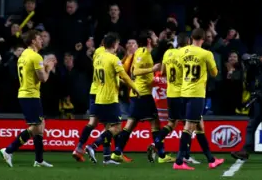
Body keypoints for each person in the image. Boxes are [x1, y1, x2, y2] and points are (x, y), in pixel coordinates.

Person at [0, 30, 56, 167]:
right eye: (39, 38)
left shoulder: (23, 55)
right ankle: (9, 150)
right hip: (30, 95)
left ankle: (39, 160)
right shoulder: (35, 57)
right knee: (36, 127)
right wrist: (49, 68)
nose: (41, 40)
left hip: (27, 94)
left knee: (41, 125)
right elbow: (43, 78)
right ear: (33, 41)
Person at [172, 28, 225, 171]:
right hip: (196, 94)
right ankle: (178, 161)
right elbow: (214, 73)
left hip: (184, 92)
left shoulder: (182, 51)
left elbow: (178, 69)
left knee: (199, 126)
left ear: (191, 38)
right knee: (189, 127)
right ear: (203, 39)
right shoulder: (206, 54)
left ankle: (211, 159)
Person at [84, 32, 138, 164]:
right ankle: (93, 146)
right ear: (114, 44)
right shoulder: (114, 59)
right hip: (110, 98)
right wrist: (135, 88)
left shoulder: (98, 58)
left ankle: (107, 158)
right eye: (118, 43)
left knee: (108, 127)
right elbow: (124, 75)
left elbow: (111, 76)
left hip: (99, 97)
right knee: (117, 127)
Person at [112, 30, 162, 163]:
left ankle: (117, 152)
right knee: (155, 123)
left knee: (130, 125)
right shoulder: (144, 53)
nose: (156, 38)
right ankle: (162, 154)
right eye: (155, 36)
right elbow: (136, 71)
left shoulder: (141, 52)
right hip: (142, 95)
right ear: (149, 40)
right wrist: (153, 69)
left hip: (138, 93)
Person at [151, 32, 199, 164]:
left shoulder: (168, 53)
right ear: (188, 42)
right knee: (188, 126)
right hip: (182, 94)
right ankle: (186, 155)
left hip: (170, 94)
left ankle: (156, 141)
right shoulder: (186, 55)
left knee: (172, 123)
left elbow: (163, 72)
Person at [72, 38, 105, 162]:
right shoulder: (109, 57)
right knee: (112, 126)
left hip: (93, 91)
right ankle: (106, 155)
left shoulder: (96, 54)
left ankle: (79, 148)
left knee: (92, 123)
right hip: (104, 93)